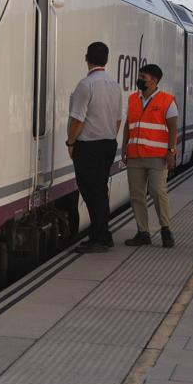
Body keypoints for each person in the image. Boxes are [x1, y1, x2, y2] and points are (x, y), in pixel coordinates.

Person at [67, 41, 123, 253]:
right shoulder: (114, 85)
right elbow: (118, 120)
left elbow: (78, 120)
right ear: (106, 60)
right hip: (108, 144)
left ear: (86, 58)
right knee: (100, 191)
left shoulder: (86, 85)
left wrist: (71, 142)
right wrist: (108, 136)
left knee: (91, 193)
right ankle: (103, 235)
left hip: (88, 146)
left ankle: (99, 238)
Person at [122, 63, 179, 248]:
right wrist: (124, 146)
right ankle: (143, 232)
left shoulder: (167, 100)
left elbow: (173, 128)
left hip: (157, 156)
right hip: (135, 156)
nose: (139, 80)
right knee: (137, 195)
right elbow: (128, 124)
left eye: (143, 77)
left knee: (157, 191)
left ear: (154, 81)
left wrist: (171, 151)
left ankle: (165, 229)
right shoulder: (132, 99)